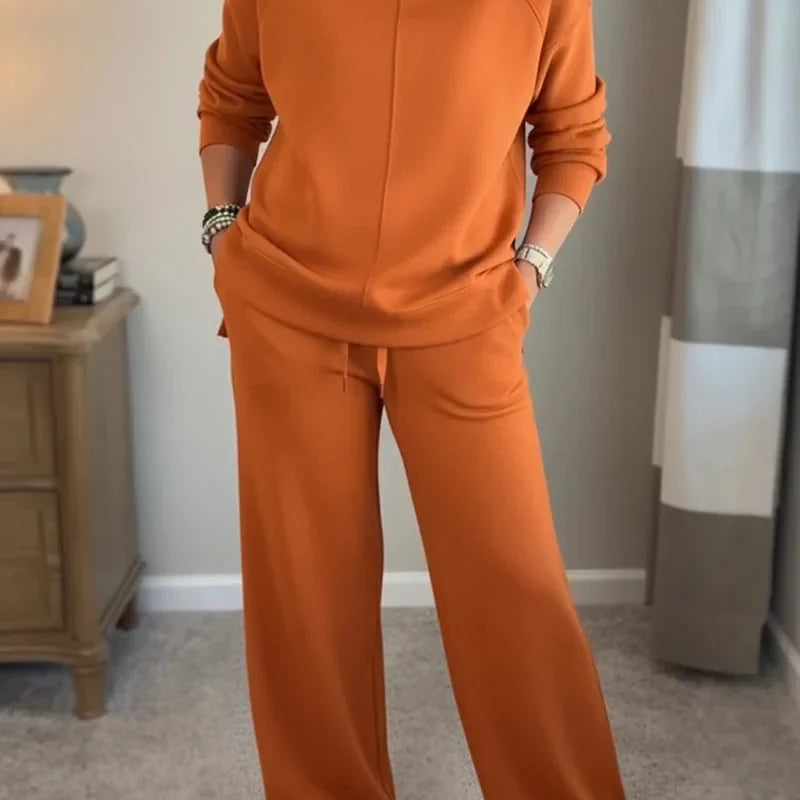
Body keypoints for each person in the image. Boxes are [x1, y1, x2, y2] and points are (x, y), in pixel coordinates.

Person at [198, 1, 626, 797]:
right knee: (306, 601)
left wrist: (530, 267)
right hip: (286, 307)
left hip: (464, 315)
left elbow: (572, 135)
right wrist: (223, 233)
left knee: (516, 593)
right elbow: (232, 96)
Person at [0, 233, 23, 298]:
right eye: (9, 240)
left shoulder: (17, 252)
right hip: (2, 266)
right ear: (6, 240)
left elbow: (18, 263)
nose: (10, 242)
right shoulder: (1, 246)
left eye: (12, 241)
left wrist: (17, 272)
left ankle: (4, 292)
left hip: (9, 270)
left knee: (7, 281)